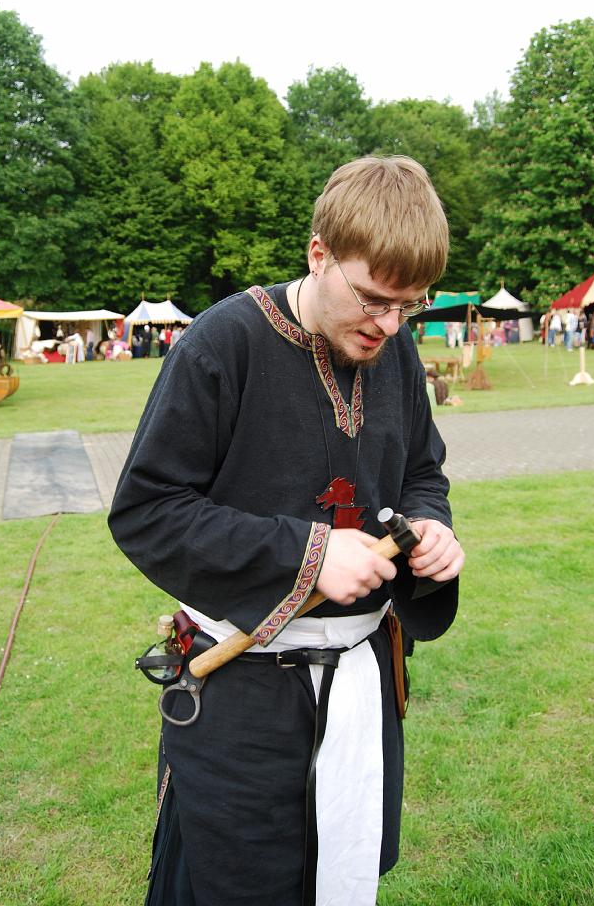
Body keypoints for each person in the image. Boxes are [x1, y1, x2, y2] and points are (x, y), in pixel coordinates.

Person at [109, 156, 465, 906]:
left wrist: (429, 529)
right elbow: (147, 510)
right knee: (237, 884)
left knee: (340, 875)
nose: (390, 325)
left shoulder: (394, 349)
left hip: (362, 682)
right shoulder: (219, 345)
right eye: (372, 299)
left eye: (409, 306)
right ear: (318, 254)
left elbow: (420, 473)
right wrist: (306, 554)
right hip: (242, 693)